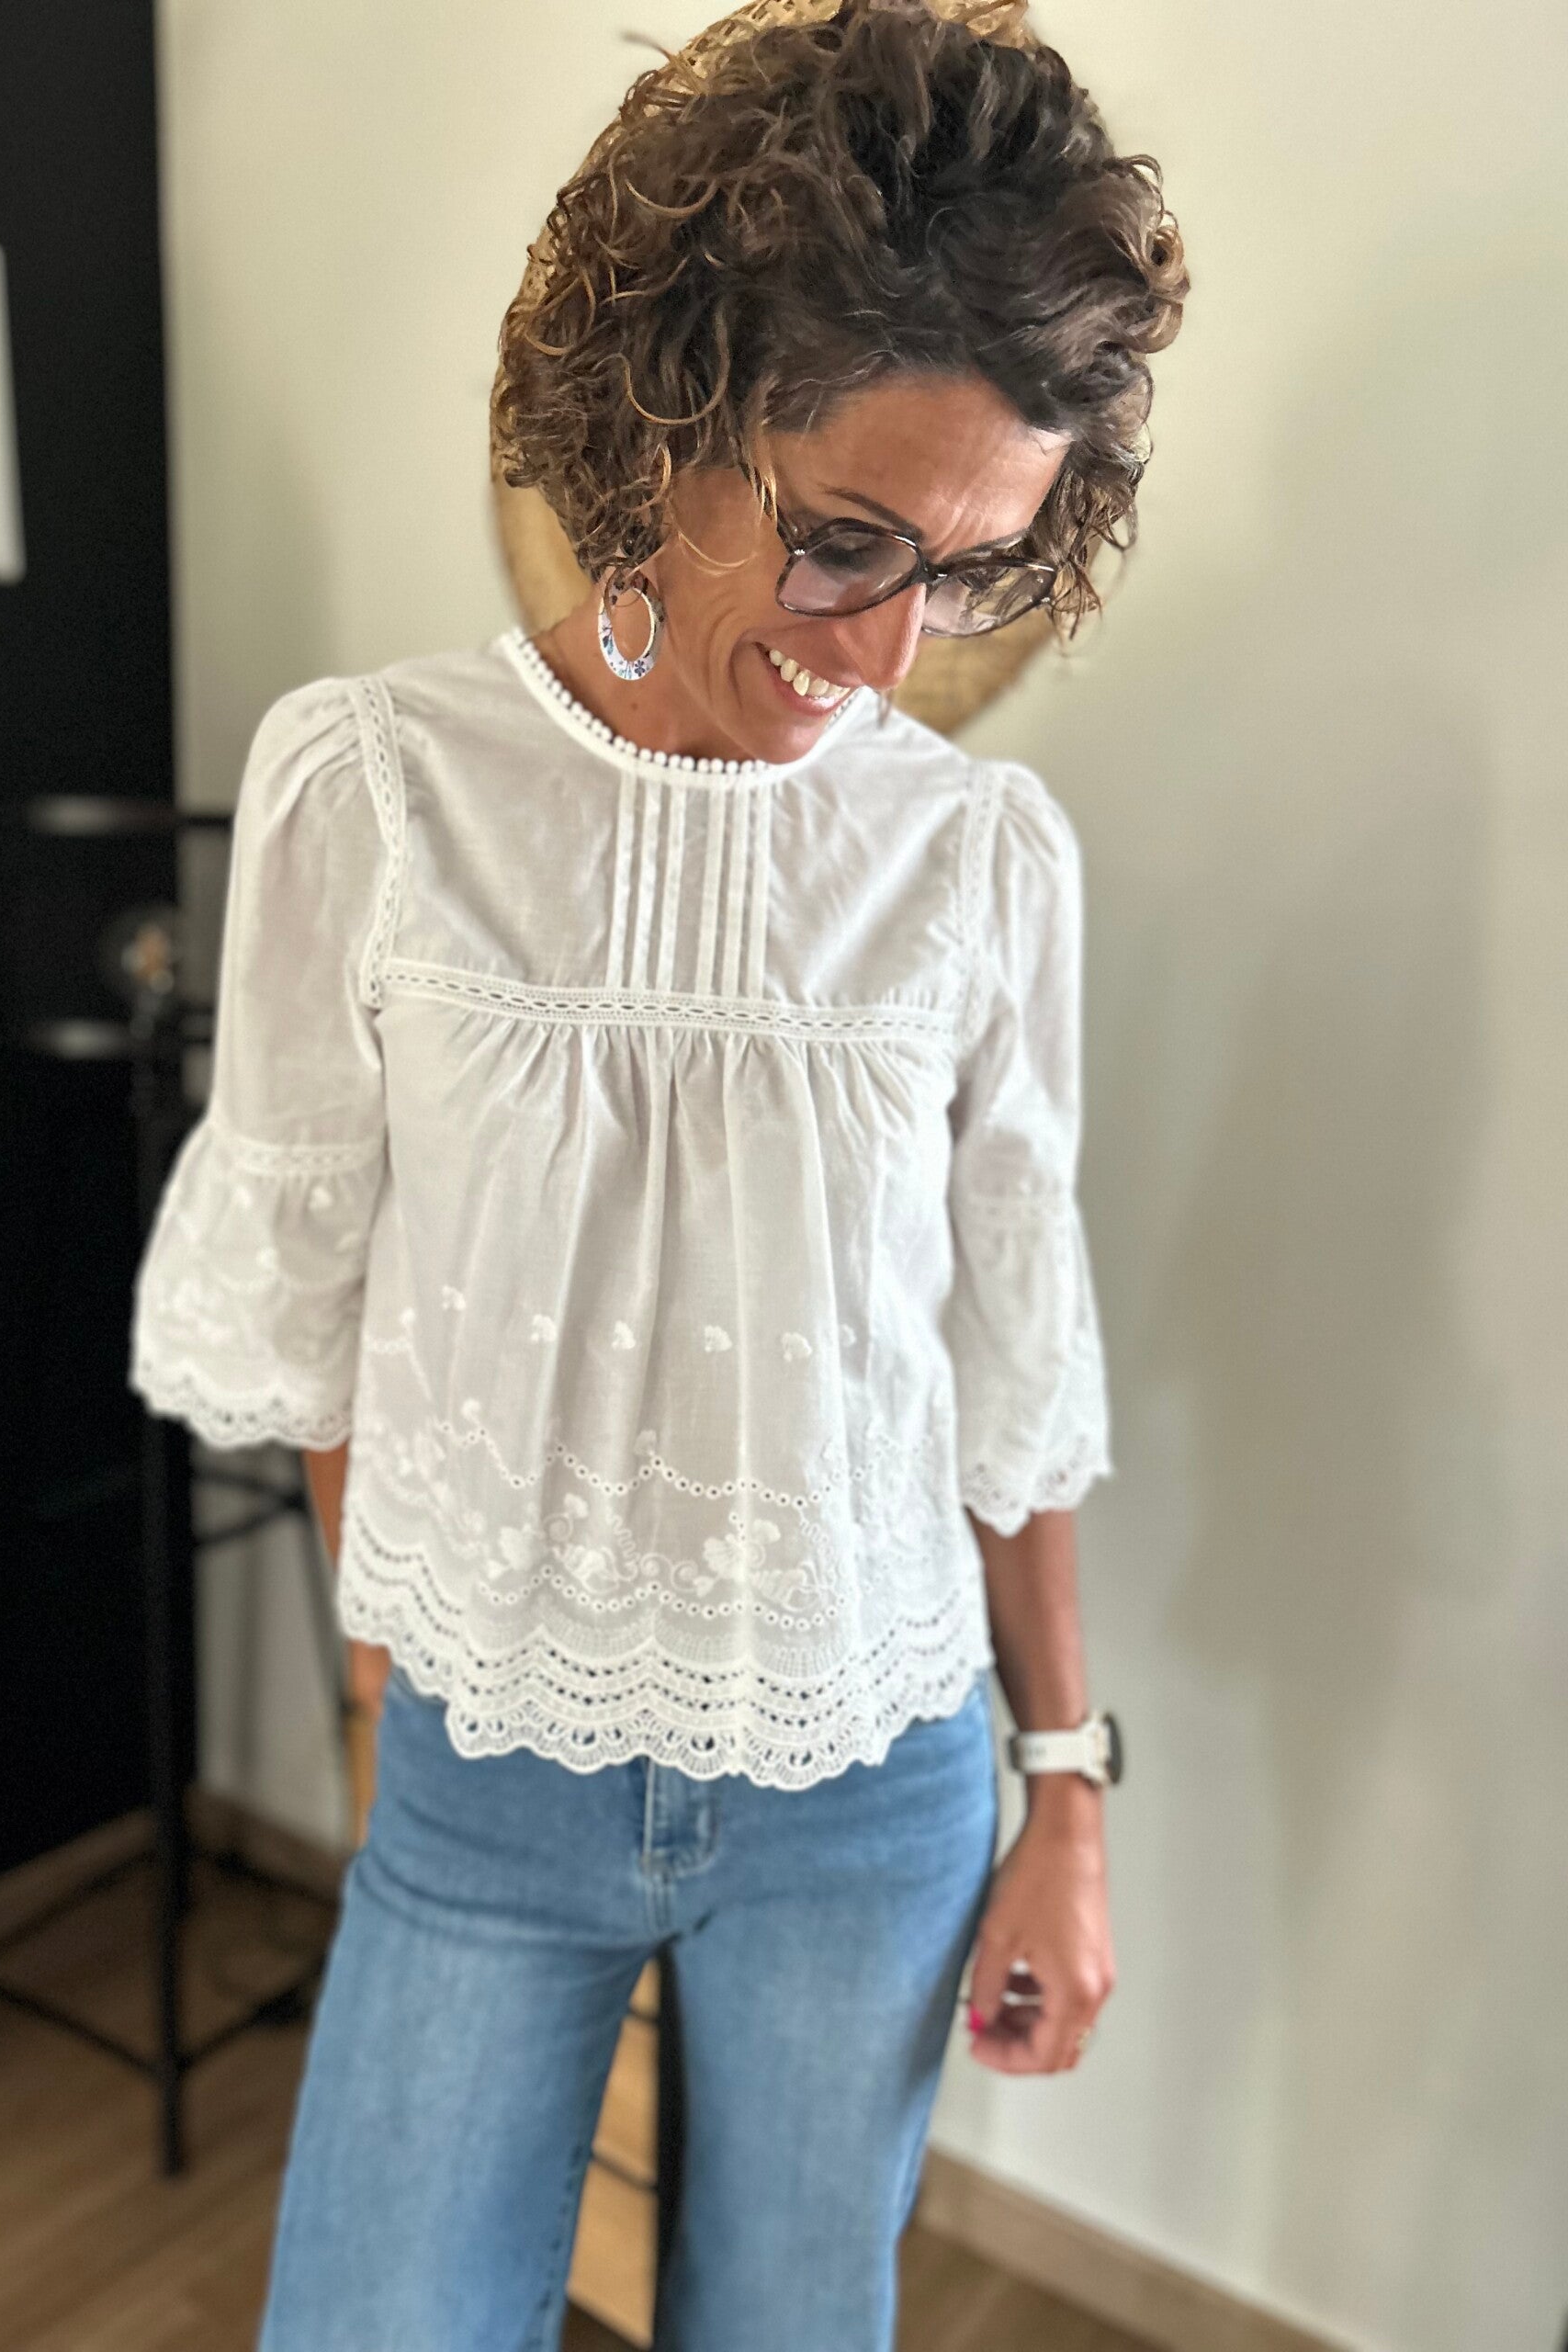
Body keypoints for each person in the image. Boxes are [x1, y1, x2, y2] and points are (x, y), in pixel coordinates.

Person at [129, 3, 1186, 2345]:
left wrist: (1066, 1791)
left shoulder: (982, 857)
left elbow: (1006, 1366)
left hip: (876, 1773)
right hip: (485, 1777)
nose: (885, 649)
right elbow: (320, 1310)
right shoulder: (374, 786)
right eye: (843, 539)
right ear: (672, 406)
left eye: (968, 567)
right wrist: (400, 1695)